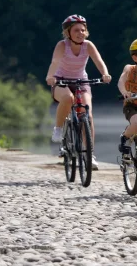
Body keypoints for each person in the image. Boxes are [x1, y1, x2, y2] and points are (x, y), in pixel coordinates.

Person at [45, 14, 112, 171]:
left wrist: (105, 73)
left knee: (87, 115)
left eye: (83, 30)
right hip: (61, 81)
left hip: (81, 81)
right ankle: (59, 128)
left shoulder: (88, 46)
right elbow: (55, 62)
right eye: (76, 30)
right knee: (68, 98)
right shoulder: (62, 46)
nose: (80, 33)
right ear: (68, 32)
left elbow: (99, 61)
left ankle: (90, 155)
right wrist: (50, 76)